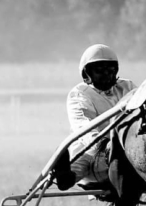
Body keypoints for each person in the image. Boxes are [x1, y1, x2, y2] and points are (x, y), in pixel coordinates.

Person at [53, 44, 136, 190]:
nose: (106, 74)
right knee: (81, 163)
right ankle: (65, 175)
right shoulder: (79, 94)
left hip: (126, 148)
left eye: (110, 69)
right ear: (87, 74)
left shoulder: (127, 87)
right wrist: (108, 147)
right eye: (99, 70)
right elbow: (85, 131)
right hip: (90, 150)